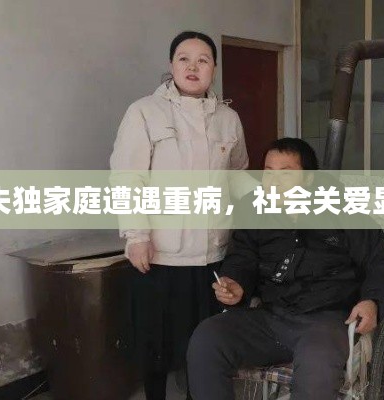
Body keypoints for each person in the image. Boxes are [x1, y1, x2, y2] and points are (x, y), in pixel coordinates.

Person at [187, 138, 384, 400]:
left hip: (325, 320)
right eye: (268, 172)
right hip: (270, 317)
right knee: (208, 337)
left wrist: (372, 301)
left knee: (317, 365)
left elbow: (378, 261)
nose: (274, 181)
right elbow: (242, 257)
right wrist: (235, 285)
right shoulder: (254, 208)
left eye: (286, 173)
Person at [109, 31, 248, 400]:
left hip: (213, 253)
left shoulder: (229, 119)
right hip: (160, 253)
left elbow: (237, 176)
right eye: (184, 58)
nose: (193, 67)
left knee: (202, 345)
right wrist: (136, 235)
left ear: (213, 68)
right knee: (155, 344)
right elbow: (127, 177)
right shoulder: (145, 111)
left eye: (203, 60)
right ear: (171, 65)